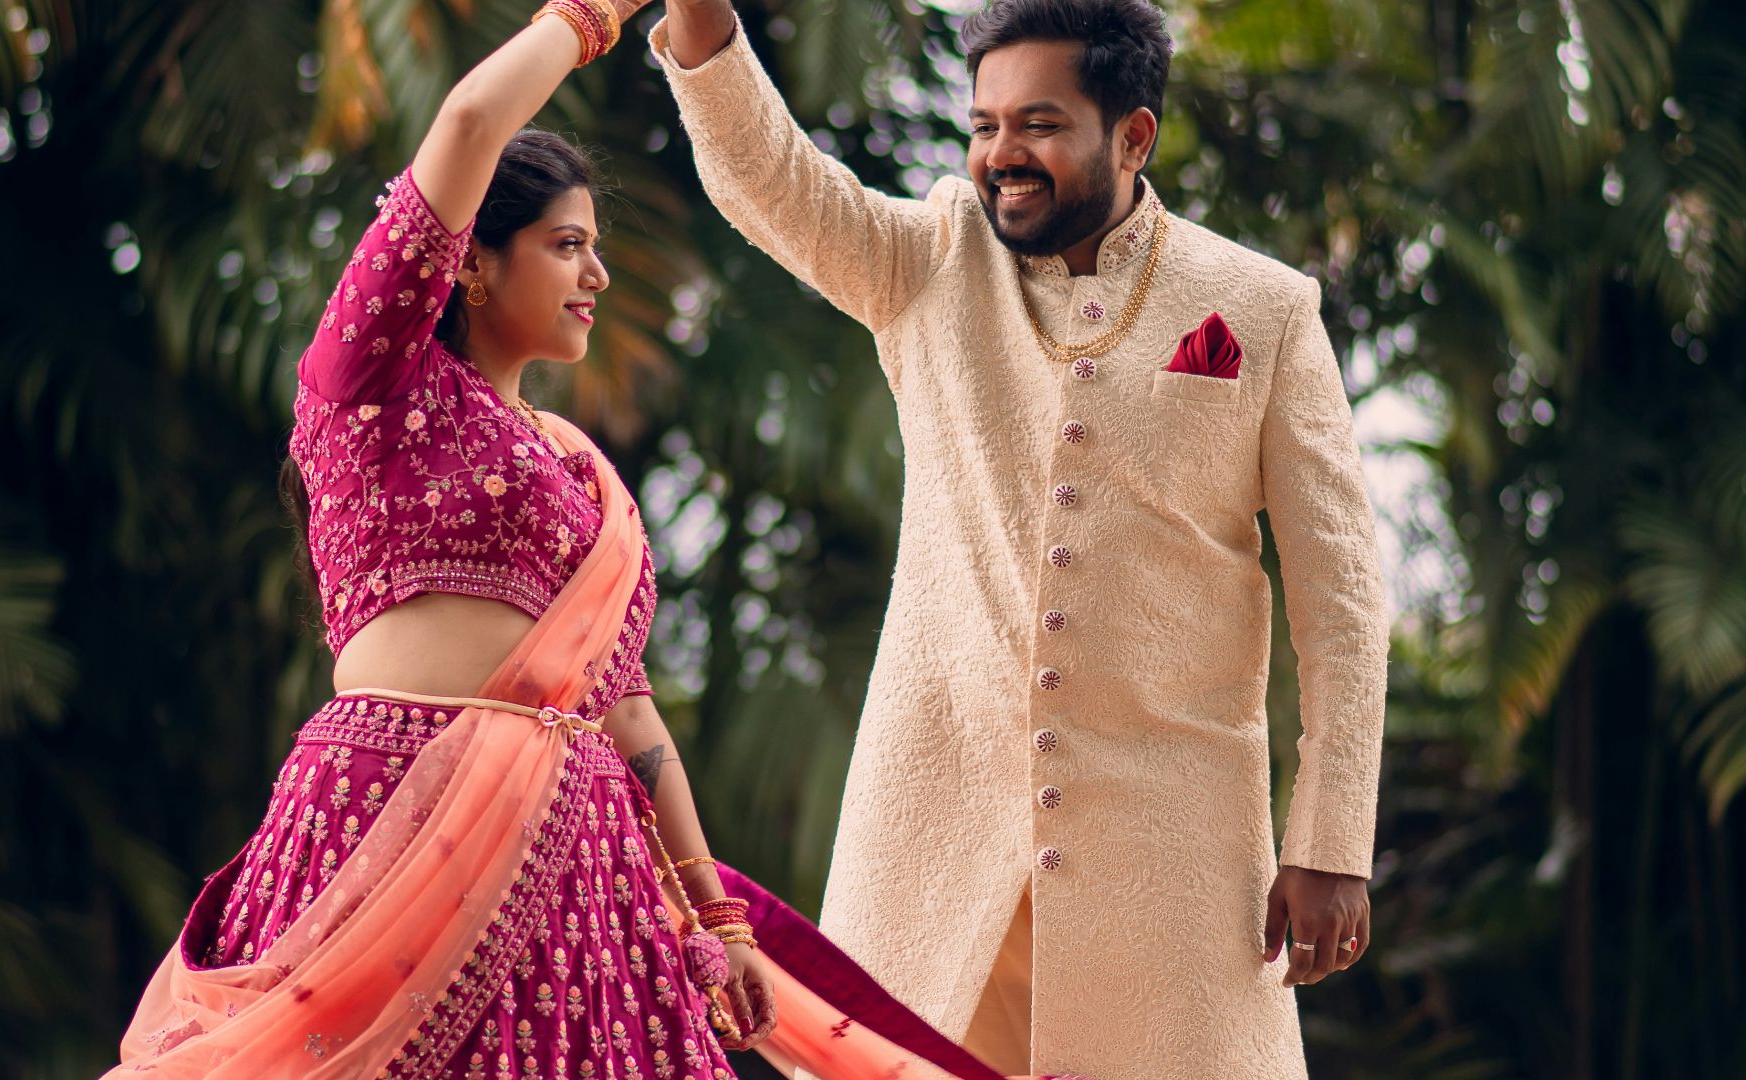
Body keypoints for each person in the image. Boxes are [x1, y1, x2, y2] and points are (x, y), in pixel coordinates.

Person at [105, 5, 1064, 1079]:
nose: (598, 276)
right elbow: (470, 117)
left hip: (581, 873)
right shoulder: (367, 386)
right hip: (388, 815)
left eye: (597, 249)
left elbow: (628, 708)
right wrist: (588, 16)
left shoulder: (580, 475)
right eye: (567, 246)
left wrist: (718, 918)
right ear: (468, 262)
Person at [654, 1, 1390, 1076]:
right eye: (985, 124)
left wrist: (1330, 842)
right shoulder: (931, 260)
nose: (1003, 154)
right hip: (937, 846)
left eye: (1038, 124)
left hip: (1167, 870)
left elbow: (1343, 601)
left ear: (1133, 137)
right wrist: (704, 21)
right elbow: (774, 181)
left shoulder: (1263, 312)